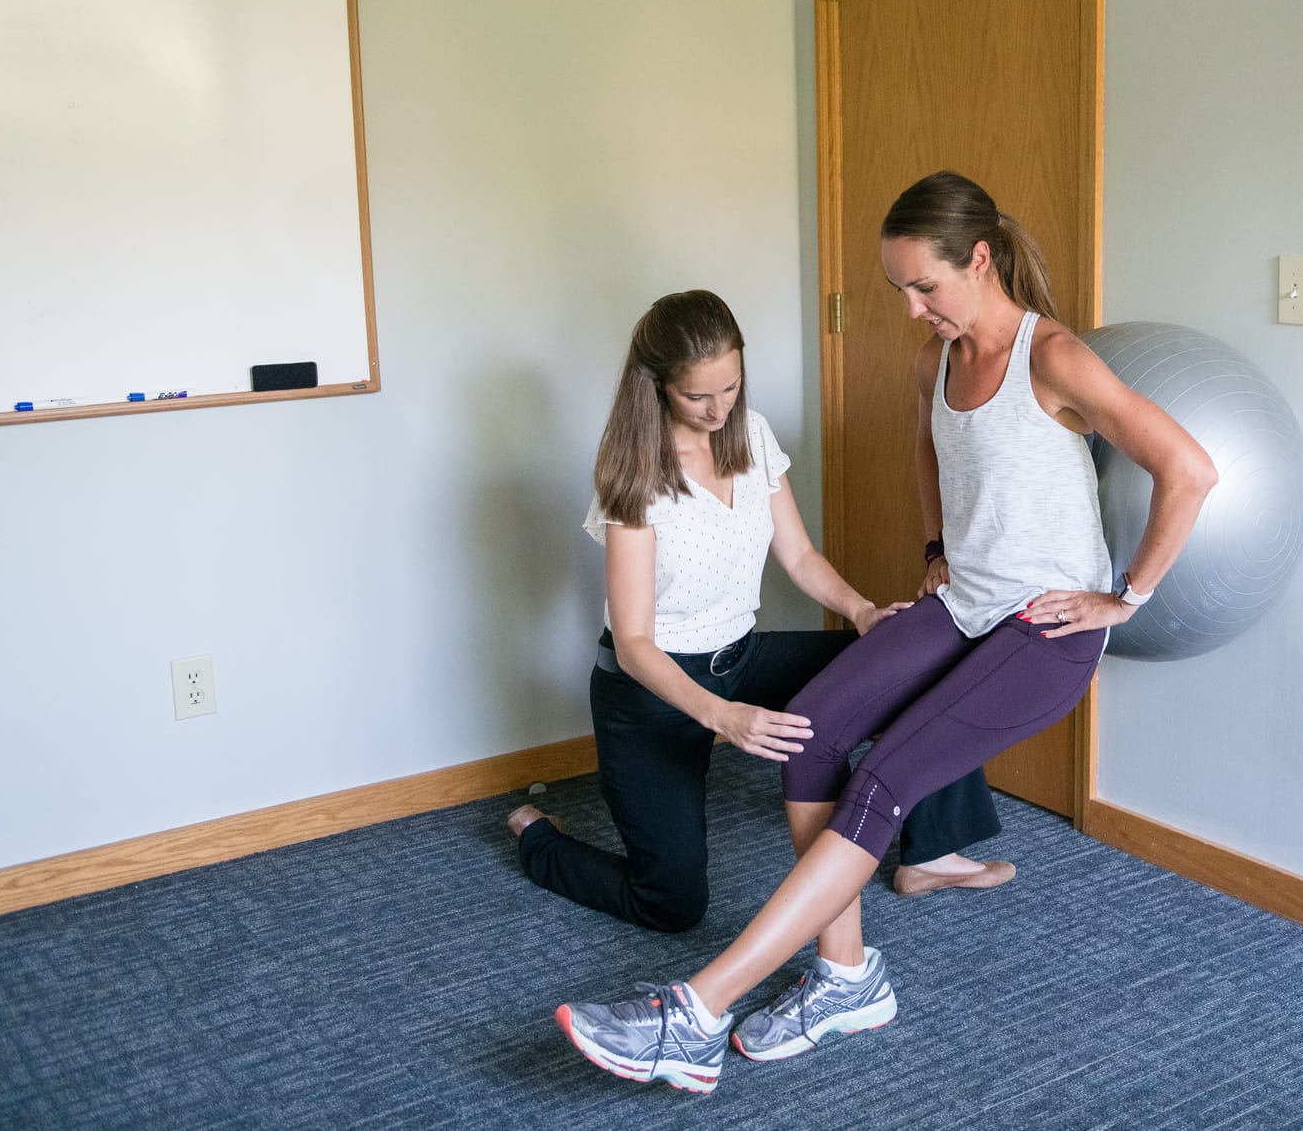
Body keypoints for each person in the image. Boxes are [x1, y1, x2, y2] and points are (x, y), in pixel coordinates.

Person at [554, 173, 1218, 1092]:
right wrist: (938, 547)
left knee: (881, 782)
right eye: (901, 289)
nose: (912, 309)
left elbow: (1189, 468)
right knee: (812, 734)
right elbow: (929, 447)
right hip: (963, 604)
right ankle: (846, 979)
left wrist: (1125, 597)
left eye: (924, 287)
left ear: (978, 260)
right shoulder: (934, 362)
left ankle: (696, 1012)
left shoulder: (1054, 357)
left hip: (1043, 632)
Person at [511, 289, 1013, 936]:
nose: (719, 408)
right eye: (698, 396)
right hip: (652, 693)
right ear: (658, 386)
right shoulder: (634, 477)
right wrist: (724, 717)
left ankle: (930, 854)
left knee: (922, 658)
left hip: (742, 657)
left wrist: (862, 612)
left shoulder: (750, 434)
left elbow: (798, 556)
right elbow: (634, 643)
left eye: (731, 387)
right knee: (671, 904)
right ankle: (536, 835)